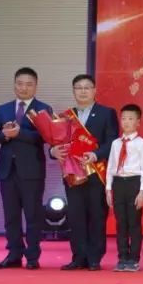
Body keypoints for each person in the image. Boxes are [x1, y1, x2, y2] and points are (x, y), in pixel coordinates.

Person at [52, 74, 119, 271]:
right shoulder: (66, 116)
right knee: (76, 216)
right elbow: (55, 142)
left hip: (96, 172)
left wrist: (96, 154)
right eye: (78, 88)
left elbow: (112, 141)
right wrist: (52, 151)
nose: (83, 91)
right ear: (73, 91)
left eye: (87, 87)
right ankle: (78, 257)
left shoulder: (106, 113)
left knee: (97, 215)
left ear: (94, 90)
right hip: (73, 174)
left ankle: (94, 258)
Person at [0, 67, 50, 270]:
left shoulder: (43, 109)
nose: (24, 88)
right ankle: (14, 254)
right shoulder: (3, 109)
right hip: (7, 171)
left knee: (33, 215)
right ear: (14, 85)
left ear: (36, 86)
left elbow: (45, 137)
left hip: (32, 171)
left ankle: (32, 256)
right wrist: (5, 134)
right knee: (11, 216)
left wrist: (19, 133)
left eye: (29, 84)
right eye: (20, 84)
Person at [106, 104, 143, 272]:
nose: (126, 122)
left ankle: (134, 259)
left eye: (130, 119)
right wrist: (108, 189)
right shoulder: (116, 143)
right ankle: (122, 257)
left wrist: (142, 191)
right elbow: (111, 166)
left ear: (138, 122)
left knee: (134, 223)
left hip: (134, 182)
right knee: (121, 223)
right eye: (123, 118)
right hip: (118, 183)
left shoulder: (142, 144)